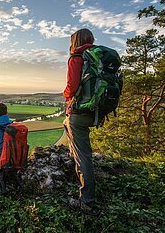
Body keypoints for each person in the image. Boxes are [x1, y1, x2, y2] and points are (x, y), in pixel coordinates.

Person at [63, 28, 100, 216]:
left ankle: (87, 201)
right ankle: (77, 168)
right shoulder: (97, 57)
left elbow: (72, 86)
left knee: (84, 154)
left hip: (79, 112)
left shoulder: (77, 57)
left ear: (75, 41)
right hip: (95, 111)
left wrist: (66, 96)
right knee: (66, 125)